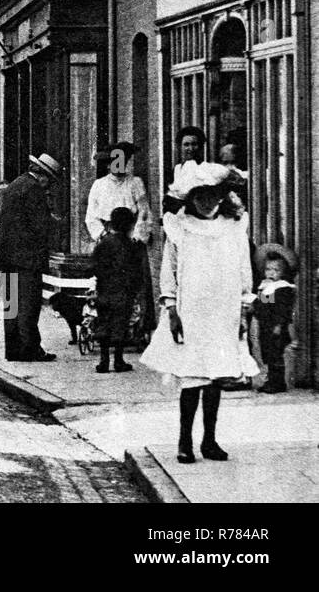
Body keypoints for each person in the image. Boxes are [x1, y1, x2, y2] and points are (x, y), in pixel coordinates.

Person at [139, 162, 258, 464]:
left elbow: (244, 270)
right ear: (190, 198)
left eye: (213, 194)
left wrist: (243, 309)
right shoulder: (180, 228)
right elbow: (169, 273)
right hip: (192, 311)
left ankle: (209, 440)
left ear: (222, 196)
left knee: (215, 377)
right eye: (199, 196)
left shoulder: (234, 227)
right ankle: (184, 441)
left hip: (223, 311)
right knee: (193, 378)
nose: (207, 201)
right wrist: (171, 310)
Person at [0, 153, 64, 362]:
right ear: (42, 175)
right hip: (26, 256)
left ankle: (13, 350)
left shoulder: (16, 183)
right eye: (49, 180)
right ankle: (29, 349)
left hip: (6, 254)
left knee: (11, 304)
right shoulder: (34, 189)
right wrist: (54, 222)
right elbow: (39, 225)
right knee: (28, 304)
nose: (49, 186)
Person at [86, 141, 156, 337]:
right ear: (108, 164)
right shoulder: (99, 185)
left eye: (122, 161)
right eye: (114, 162)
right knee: (106, 283)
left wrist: (136, 236)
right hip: (108, 239)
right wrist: (103, 235)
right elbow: (91, 216)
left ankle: (136, 328)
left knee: (135, 282)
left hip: (130, 238)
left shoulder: (135, 183)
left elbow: (144, 212)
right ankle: (104, 329)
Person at [92, 206, 146, 374]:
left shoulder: (103, 243)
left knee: (104, 324)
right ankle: (118, 360)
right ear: (129, 225)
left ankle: (103, 361)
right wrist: (135, 289)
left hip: (104, 291)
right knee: (120, 326)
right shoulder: (131, 246)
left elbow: (93, 266)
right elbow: (137, 271)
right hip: (123, 293)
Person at [253, 251, 296, 394]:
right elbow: (262, 305)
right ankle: (271, 379)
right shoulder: (267, 286)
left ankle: (278, 382)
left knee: (276, 354)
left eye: (276, 270)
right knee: (268, 354)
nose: (271, 273)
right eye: (268, 269)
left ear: (283, 272)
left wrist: (278, 325)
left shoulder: (283, 288)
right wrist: (260, 294)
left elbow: (283, 310)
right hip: (266, 326)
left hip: (276, 327)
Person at [163, 126, 206, 215]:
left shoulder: (206, 169)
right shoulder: (176, 170)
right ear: (180, 147)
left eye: (194, 144)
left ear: (200, 146)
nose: (190, 148)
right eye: (186, 144)